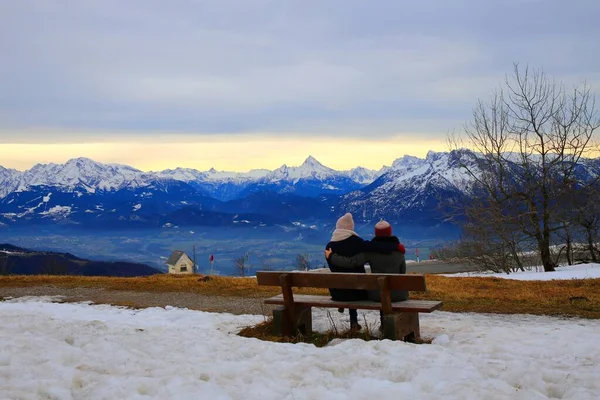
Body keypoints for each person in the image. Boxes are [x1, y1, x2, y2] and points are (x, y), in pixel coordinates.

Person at [325, 213, 403, 330]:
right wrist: (395, 246)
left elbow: (348, 263)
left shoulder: (329, 247)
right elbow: (375, 246)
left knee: (360, 285)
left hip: (337, 293)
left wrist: (332, 257)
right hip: (359, 291)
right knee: (380, 289)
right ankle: (384, 324)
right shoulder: (357, 242)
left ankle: (353, 322)